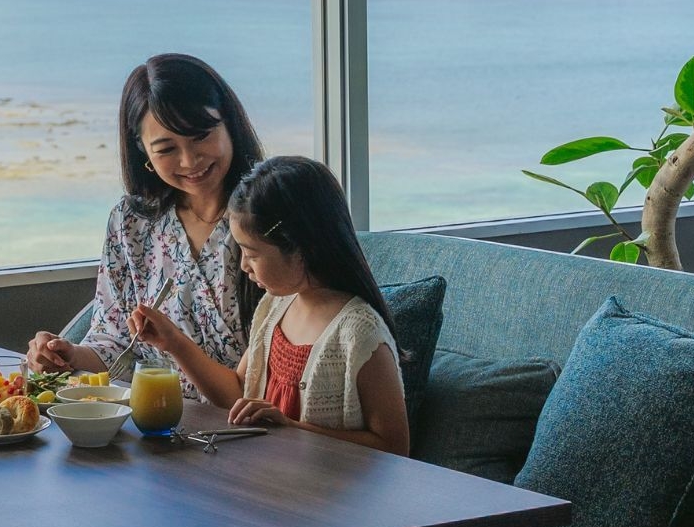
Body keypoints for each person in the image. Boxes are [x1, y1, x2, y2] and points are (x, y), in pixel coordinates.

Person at [129, 155, 409, 456]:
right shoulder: (274, 308)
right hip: (264, 476)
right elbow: (237, 392)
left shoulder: (359, 335)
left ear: (301, 248)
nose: (243, 266)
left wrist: (292, 428)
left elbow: (395, 448)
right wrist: (173, 341)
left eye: (252, 253)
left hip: (324, 486)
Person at [24, 53, 265, 399]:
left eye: (200, 136)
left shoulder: (271, 212)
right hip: (152, 416)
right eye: (166, 149)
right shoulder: (131, 222)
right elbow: (115, 343)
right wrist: (67, 355)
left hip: (250, 418)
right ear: (144, 155)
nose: (189, 160)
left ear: (230, 124)